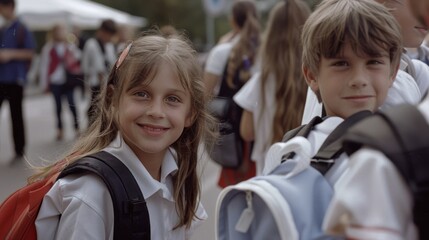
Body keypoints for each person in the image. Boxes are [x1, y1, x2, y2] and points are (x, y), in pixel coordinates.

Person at [34, 32, 217, 239]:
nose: (156, 111)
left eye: (172, 98)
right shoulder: (91, 194)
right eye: (141, 94)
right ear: (113, 99)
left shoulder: (176, 176)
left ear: (190, 113)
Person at [301, 0, 429, 124]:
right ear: (311, 75)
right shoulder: (304, 142)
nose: (359, 79)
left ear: (393, 72)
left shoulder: (415, 74)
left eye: (373, 62)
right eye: (341, 64)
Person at [233, 0, 311, 175]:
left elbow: (246, 132)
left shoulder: (260, 81)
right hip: (308, 178)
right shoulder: (316, 80)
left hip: (269, 182)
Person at [204, 0, 261, 188]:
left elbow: (205, 94)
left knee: (233, 196)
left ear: (233, 22)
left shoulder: (222, 52)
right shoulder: (266, 52)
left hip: (232, 135)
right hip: (261, 134)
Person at [0, 0, 36, 161]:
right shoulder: (3, 29)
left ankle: (19, 149)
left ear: (10, 7)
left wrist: (10, 54)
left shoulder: (21, 28)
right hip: (2, 78)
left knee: (16, 115)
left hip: (15, 78)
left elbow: (30, 53)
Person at [39, 24, 81, 140]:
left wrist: (72, 45)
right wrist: (45, 84)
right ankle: (60, 129)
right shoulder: (48, 48)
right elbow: (44, 67)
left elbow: (77, 57)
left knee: (72, 104)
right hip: (55, 80)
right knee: (57, 107)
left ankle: (77, 127)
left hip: (68, 80)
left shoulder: (69, 45)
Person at [81, 19, 117, 127]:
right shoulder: (91, 44)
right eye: (107, 34)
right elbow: (85, 65)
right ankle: (91, 129)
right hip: (94, 82)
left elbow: (112, 63)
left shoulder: (109, 46)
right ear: (101, 31)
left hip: (106, 82)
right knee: (93, 108)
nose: (109, 37)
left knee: (105, 108)